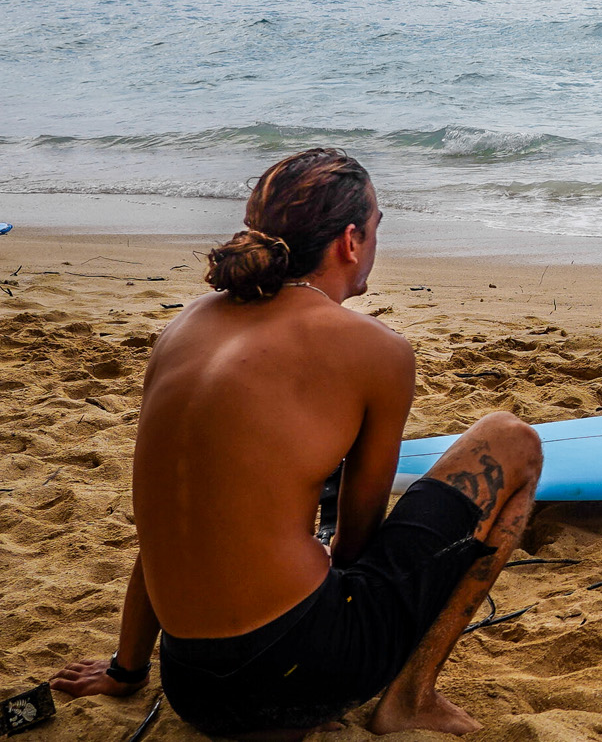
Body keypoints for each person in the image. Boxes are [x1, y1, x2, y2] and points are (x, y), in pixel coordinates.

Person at [51, 149, 542, 739]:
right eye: (379, 226)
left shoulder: (183, 328)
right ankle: (411, 696)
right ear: (351, 241)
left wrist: (127, 670)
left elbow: (165, 525)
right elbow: (358, 542)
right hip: (298, 674)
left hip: (192, 687)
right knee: (511, 440)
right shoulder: (374, 349)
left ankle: (136, 667)